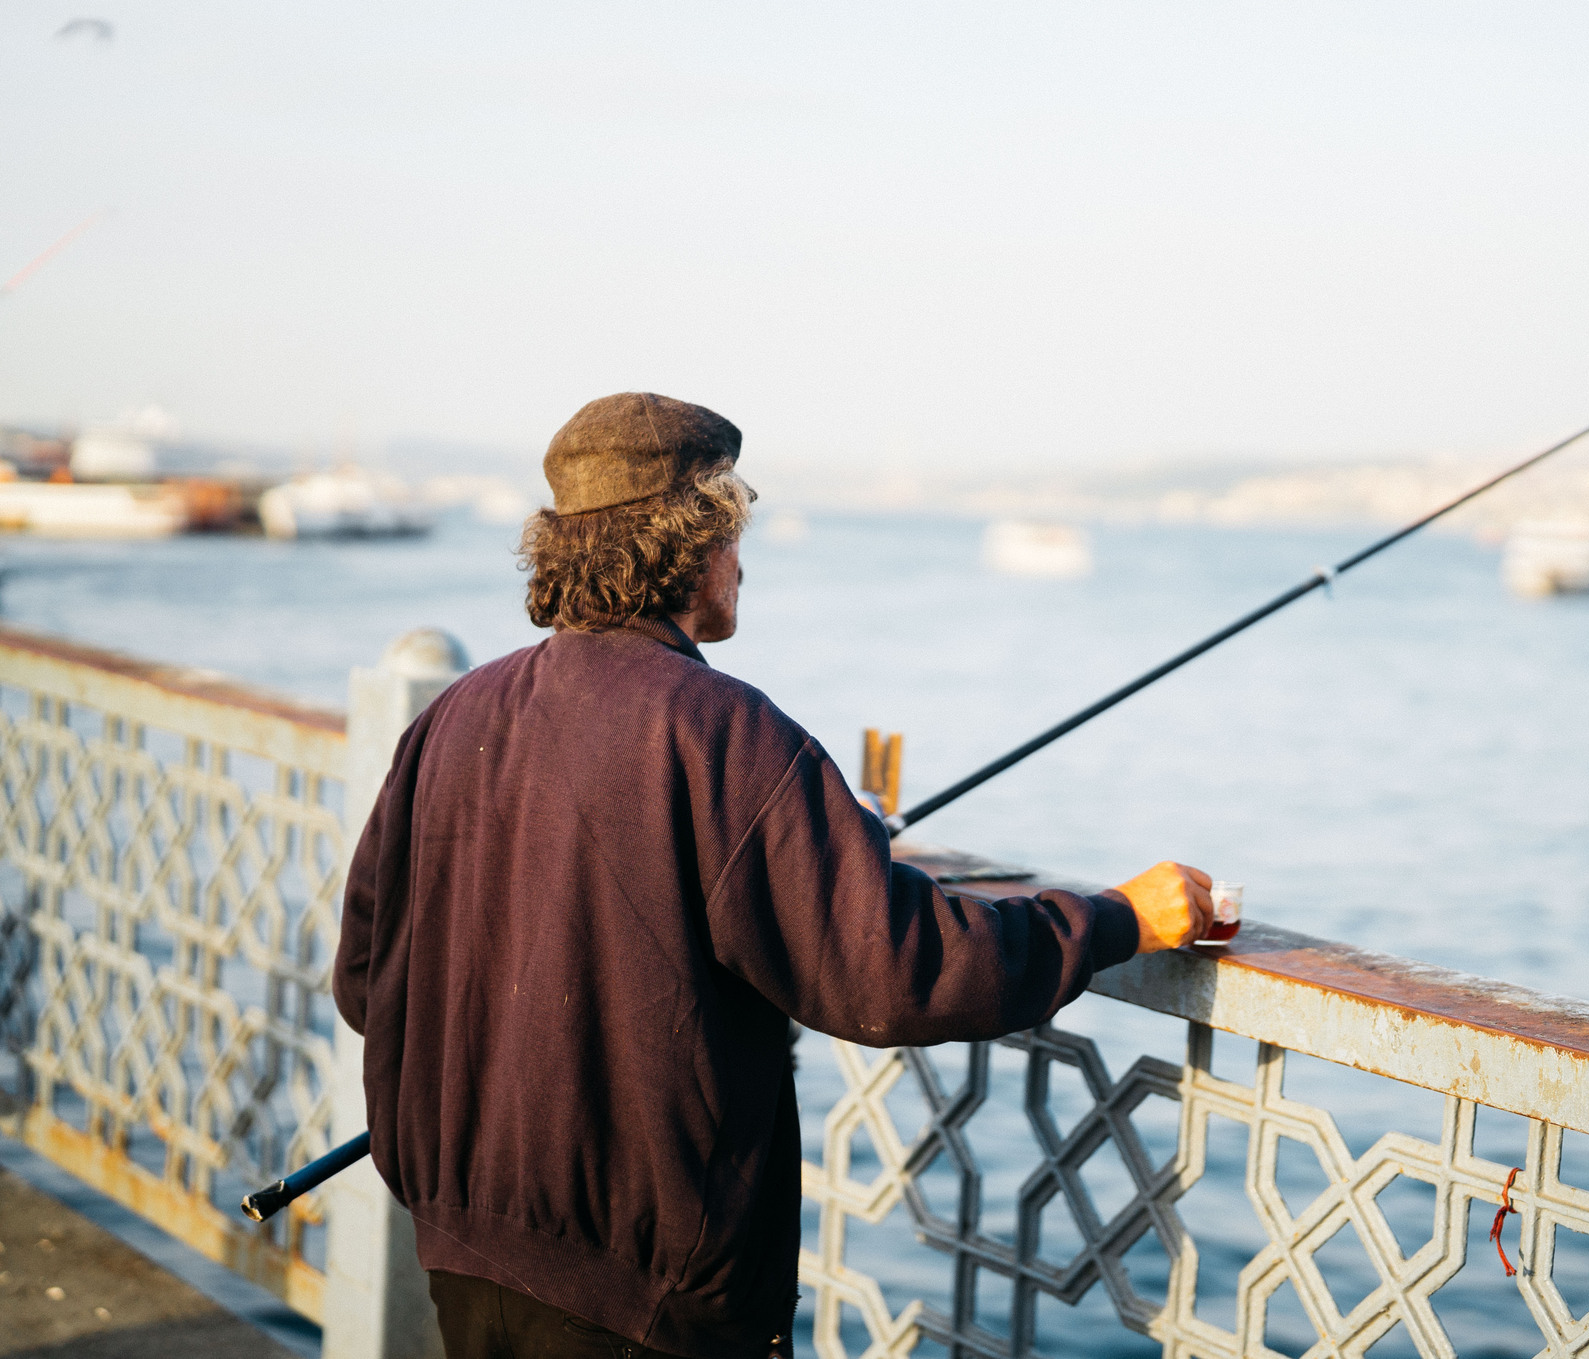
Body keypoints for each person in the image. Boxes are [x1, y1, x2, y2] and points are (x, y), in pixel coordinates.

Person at [333, 392, 1213, 1359]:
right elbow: (892, 972)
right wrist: (1117, 918)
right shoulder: (723, 732)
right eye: (732, 532)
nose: (742, 563)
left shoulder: (452, 717)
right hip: (650, 1299)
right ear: (688, 542)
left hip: (465, 1246)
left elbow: (368, 982)